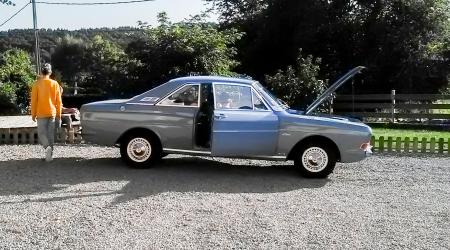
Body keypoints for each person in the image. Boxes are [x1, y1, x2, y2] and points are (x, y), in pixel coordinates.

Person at [30, 63, 62, 162]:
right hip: (52, 112)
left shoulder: (36, 84)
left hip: (41, 113)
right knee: (50, 134)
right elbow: (59, 101)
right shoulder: (55, 84)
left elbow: (34, 100)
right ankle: (50, 156)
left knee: (42, 133)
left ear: (41, 72)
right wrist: (59, 115)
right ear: (50, 72)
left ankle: (47, 147)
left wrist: (33, 114)